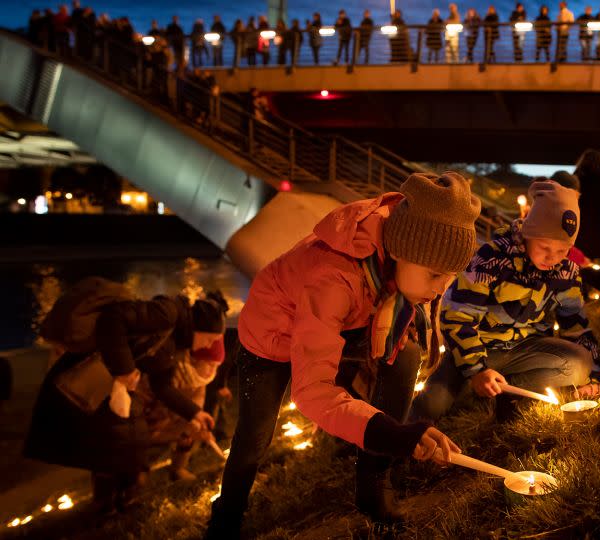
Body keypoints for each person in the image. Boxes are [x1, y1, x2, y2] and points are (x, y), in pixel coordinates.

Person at [204, 173, 480, 536]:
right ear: (400, 252)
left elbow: (407, 302)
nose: (441, 289)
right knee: (254, 436)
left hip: (350, 315)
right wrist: (394, 434)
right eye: (435, 276)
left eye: (449, 277)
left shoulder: (408, 235)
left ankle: (373, 485)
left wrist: (394, 434)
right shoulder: (334, 276)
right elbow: (312, 391)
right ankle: (226, 520)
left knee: (405, 355)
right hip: (271, 333)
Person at [413, 181, 600, 424]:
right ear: (529, 233)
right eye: (545, 247)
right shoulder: (491, 259)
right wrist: (477, 370)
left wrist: (595, 377)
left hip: (527, 348)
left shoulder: (565, 272)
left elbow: (577, 326)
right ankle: (477, 385)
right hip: (480, 347)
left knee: (579, 363)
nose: (553, 258)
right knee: (432, 404)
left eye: (562, 251)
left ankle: (506, 391)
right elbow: (457, 316)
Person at [25, 285, 219, 514]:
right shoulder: (167, 313)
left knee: (128, 442)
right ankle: (106, 505)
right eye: (210, 338)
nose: (209, 345)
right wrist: (125, 369)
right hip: (89, 375)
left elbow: (162, 385)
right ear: (199, 328)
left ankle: (123, 501)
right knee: (115, 441)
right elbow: (113, 319)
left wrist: (194, 413)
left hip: (114, 387)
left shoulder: (175, 345)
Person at [143, 292, 229, 481]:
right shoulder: (169, 366)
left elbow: (195, 406)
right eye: (208, 365)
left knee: (191, 431)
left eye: (215, 367)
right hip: (149, 421)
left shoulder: (200, 382)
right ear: (195, 359)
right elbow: (159, 401)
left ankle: (178, 468)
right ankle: (135, 478)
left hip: (172, 420)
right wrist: (187, 424)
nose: (210, 372)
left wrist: (195, 423)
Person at [572, 149, 600, 260]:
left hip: (579, 224)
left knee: (577, 257)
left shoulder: (577, 175)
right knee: (595, 259)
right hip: (598, 224)